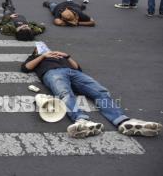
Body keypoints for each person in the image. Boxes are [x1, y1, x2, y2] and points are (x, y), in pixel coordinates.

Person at [21, 43, 162, 138]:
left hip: (72, 72)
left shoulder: (59, 56)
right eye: (39, 48)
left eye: (45, 47)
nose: (44, 48)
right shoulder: (35, 57)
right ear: (35, 51)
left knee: (100, 91)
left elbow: (77, 68)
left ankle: (122, 121)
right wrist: (42, 56)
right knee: (64, 93)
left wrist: (67, 56)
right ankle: (81, 121)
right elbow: (26, 68)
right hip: (53, 73)